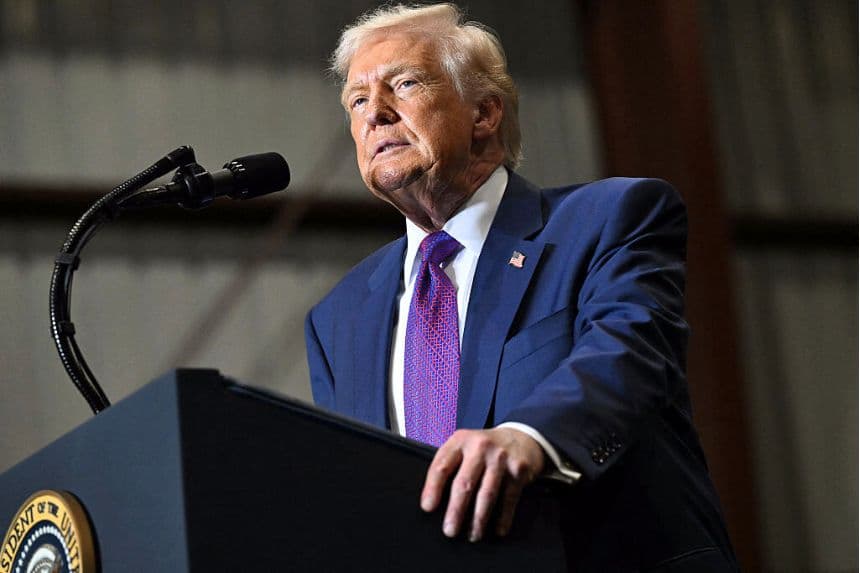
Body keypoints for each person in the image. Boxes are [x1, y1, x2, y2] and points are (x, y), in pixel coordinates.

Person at [305, 3, 738, 570]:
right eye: (357, 100)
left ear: (484, 112)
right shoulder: (338, 317)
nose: (374, 115)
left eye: (404, 84)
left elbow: (630, 355)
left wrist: (529, 436)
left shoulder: (607, 220)